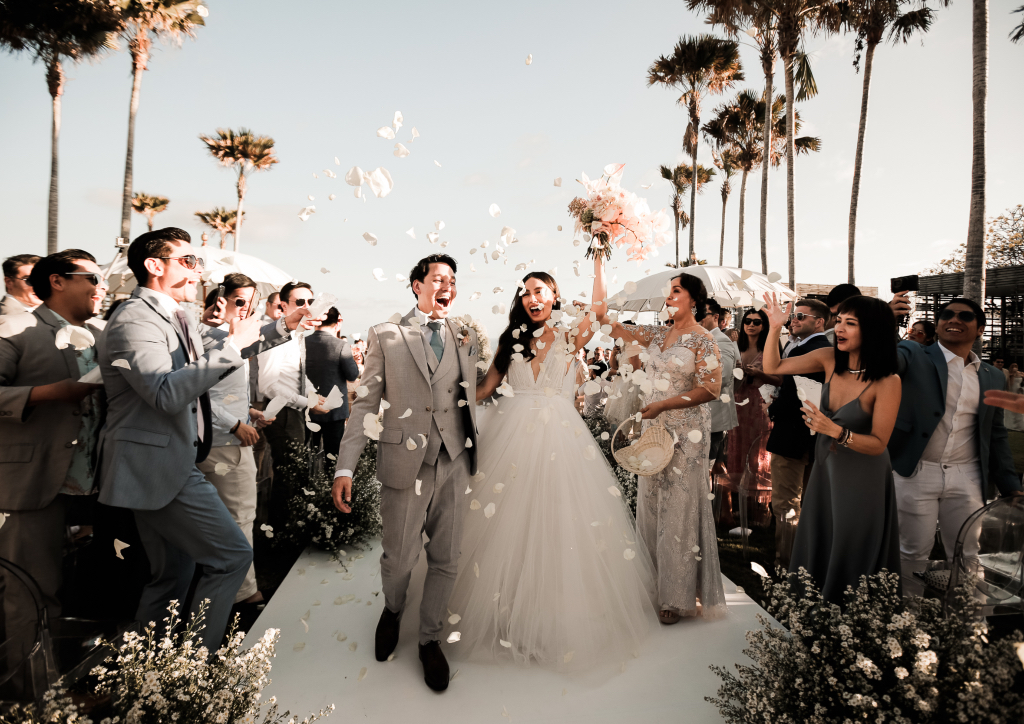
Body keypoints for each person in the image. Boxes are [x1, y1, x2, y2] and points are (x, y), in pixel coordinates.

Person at [96, 228, 316, 652]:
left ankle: (153, 670)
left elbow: (217, 347)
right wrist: (233, 345)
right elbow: (164, 393)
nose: (197, 270)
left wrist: (279, 327)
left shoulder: (175, 315)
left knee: (173, 576)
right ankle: (198, 663)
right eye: (187, 261)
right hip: (160, 467)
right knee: (232, 556)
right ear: (154, 266)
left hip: (171, 461)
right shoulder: (133, 318)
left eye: (198, 262)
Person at [450, 268, 656, 670]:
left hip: (562, 441)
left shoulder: (568, 335)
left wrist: (598, 258)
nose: (531, 298)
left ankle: (549, 614)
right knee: (506, 524)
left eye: (539, 291)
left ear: (554, 294)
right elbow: (484, 389)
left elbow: (598, 312)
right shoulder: (512, 339)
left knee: (558, 522)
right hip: (510, 440)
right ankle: (501, 610)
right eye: (525, 292)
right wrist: (443, 396)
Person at [331, 254, 480, 692]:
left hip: (454, 460)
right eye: (438, 279)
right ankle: (393, 609)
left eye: (452, 280)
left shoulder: (465, 334)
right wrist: (346, 467)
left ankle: (430, 638)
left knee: (447, 559)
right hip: (404, 462)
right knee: (398, 557)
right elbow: (364, 404)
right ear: (416, 285)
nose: (446, 286)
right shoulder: (386, 335)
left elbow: (472, 392)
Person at [596, 262, 727, 624]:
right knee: (652, 504)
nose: (667, 297)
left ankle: (677, 596)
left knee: (680, 511)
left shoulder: (704, 339)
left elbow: (711, 389)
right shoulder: (657, 336)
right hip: (654, 432)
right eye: (667, 291)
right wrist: (599, 255)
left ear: (693, 301)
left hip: (688, 434)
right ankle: (653, 585)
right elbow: (605, 321)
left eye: (675, 291)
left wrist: (664, 405)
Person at [0, 250, 106, 691]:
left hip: (96, 485)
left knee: (84, 585)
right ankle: (31, 693)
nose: (100, 286)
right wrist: (51, 392)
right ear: (57, 282)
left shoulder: (101, 335)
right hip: (35, 480)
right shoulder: (17, 329)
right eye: (91, 277)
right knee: (30, 591)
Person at [762, 293, 902, 603]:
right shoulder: (828, 358)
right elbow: (773, 364)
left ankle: (849, 617)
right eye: (839, 321)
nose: (839, 329)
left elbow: (879, 444)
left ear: (873, 330)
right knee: (819, 537)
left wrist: (835, 431)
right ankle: (814, 611)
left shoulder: (888, 381)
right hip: (826, 470)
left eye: (850, 323)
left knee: (851, 546)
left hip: (862, 478)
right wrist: (774, 328)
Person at [887, 297, 1022, 567]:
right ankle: (909, 610)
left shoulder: (992, 376)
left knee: (968, 555)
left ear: (981, 329)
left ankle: (968, 609)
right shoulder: (913, 354)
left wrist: (1011, 486)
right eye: (946, 314)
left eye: (965, 316)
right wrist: (886, 322)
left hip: (967, 475)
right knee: (912, 553)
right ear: (937, 326)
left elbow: (995, 433)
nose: (954, 319)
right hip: (915, 470)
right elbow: (885, 360)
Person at [196, 274, 278, 611]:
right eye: (240, 301)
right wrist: (234, 425)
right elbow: (195, 393)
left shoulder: (231, 340)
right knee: (241, 517)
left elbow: (222, 393)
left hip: (228, 437)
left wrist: (250, 412)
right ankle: (245, 595)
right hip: (222, 444)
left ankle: (232, 588)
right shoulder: (208, 339)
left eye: (252, 303)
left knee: (234, 517)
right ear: (221, 300)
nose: (246, 309)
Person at [766, 297, 831, 566]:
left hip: (795, 436)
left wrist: (778, 407)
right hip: (809, 437)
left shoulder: (817, 349)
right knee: (799, 502)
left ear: (820, 322)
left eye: (801, 316)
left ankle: (788, 565)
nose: (794, 319)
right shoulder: (807, 346)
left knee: (786, 504)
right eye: (794, 315)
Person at [259, 281, 328, 519]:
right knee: (289, 475)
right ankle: (282, 534)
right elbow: (267, 384)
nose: (307, 307)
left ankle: (289, 528)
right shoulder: (275, 335)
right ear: (283, 306)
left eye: (310, 301)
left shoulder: (297, 335)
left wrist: (312, 396)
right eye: (300, 302)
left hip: (294, 410)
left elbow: (296, 375)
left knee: (296, 473)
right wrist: (305, 401)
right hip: (281, 413)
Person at [726, 308, 781, 512]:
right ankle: (737, 500)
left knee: (758, 451)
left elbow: (780, 380)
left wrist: (760, 373)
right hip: (738, 401)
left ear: (764, 326)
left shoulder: (769, 349)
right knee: (736, 447)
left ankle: (759, 504)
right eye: (747, 321)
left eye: (756, 322)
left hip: (760, 404)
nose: (751, 325)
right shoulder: (735, 348)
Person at [304, 306, 360, 459]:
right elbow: (352, 375)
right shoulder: (341, 345)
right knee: (333, 456)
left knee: (307, 454)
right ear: (336, 323)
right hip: (334, 409)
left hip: (308, 405)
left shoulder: (302, 343)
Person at [701, 299, 738, 469]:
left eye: (703, 314)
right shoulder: (697, 338)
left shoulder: (721, 341)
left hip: (712, 413)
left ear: (716, 317)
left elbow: (722, 377)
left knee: (706, 467)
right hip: (696, 414)